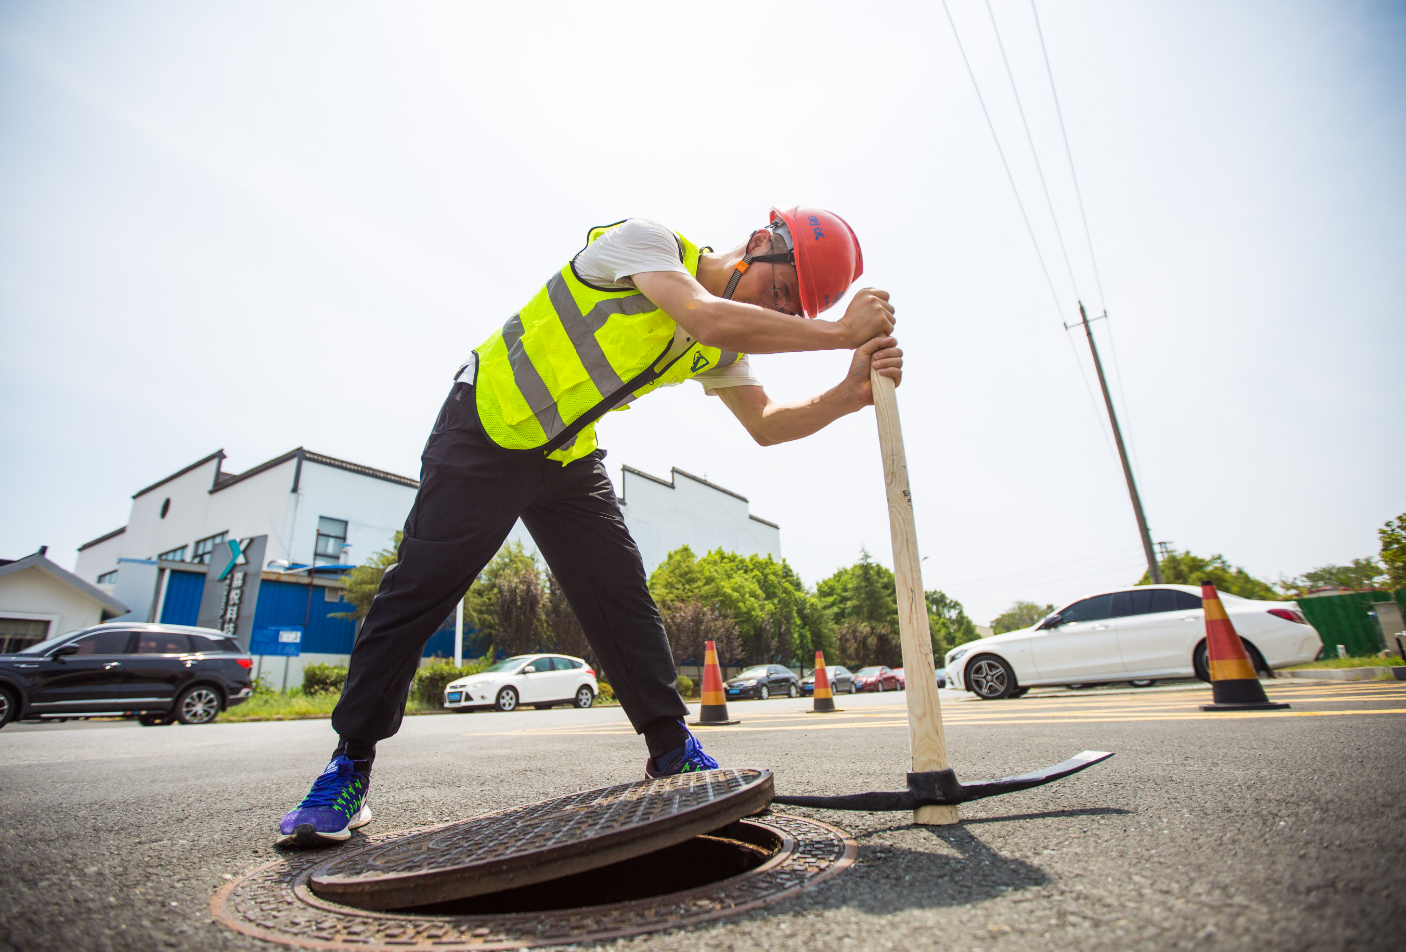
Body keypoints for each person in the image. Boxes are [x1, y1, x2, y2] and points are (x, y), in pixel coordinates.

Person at [278, 207, 902, 847]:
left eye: (791, 309)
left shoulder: (725, 344)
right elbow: (703, 313)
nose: (779, 310)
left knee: (619, 596)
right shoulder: (648, 245)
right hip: (486, 425)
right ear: (760, 244)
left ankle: (670, 750)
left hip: (566, 455)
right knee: (418, 591)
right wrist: (839, 333)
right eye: (778, 292)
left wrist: (848, 393)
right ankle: (348, 766)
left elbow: (767, 424)